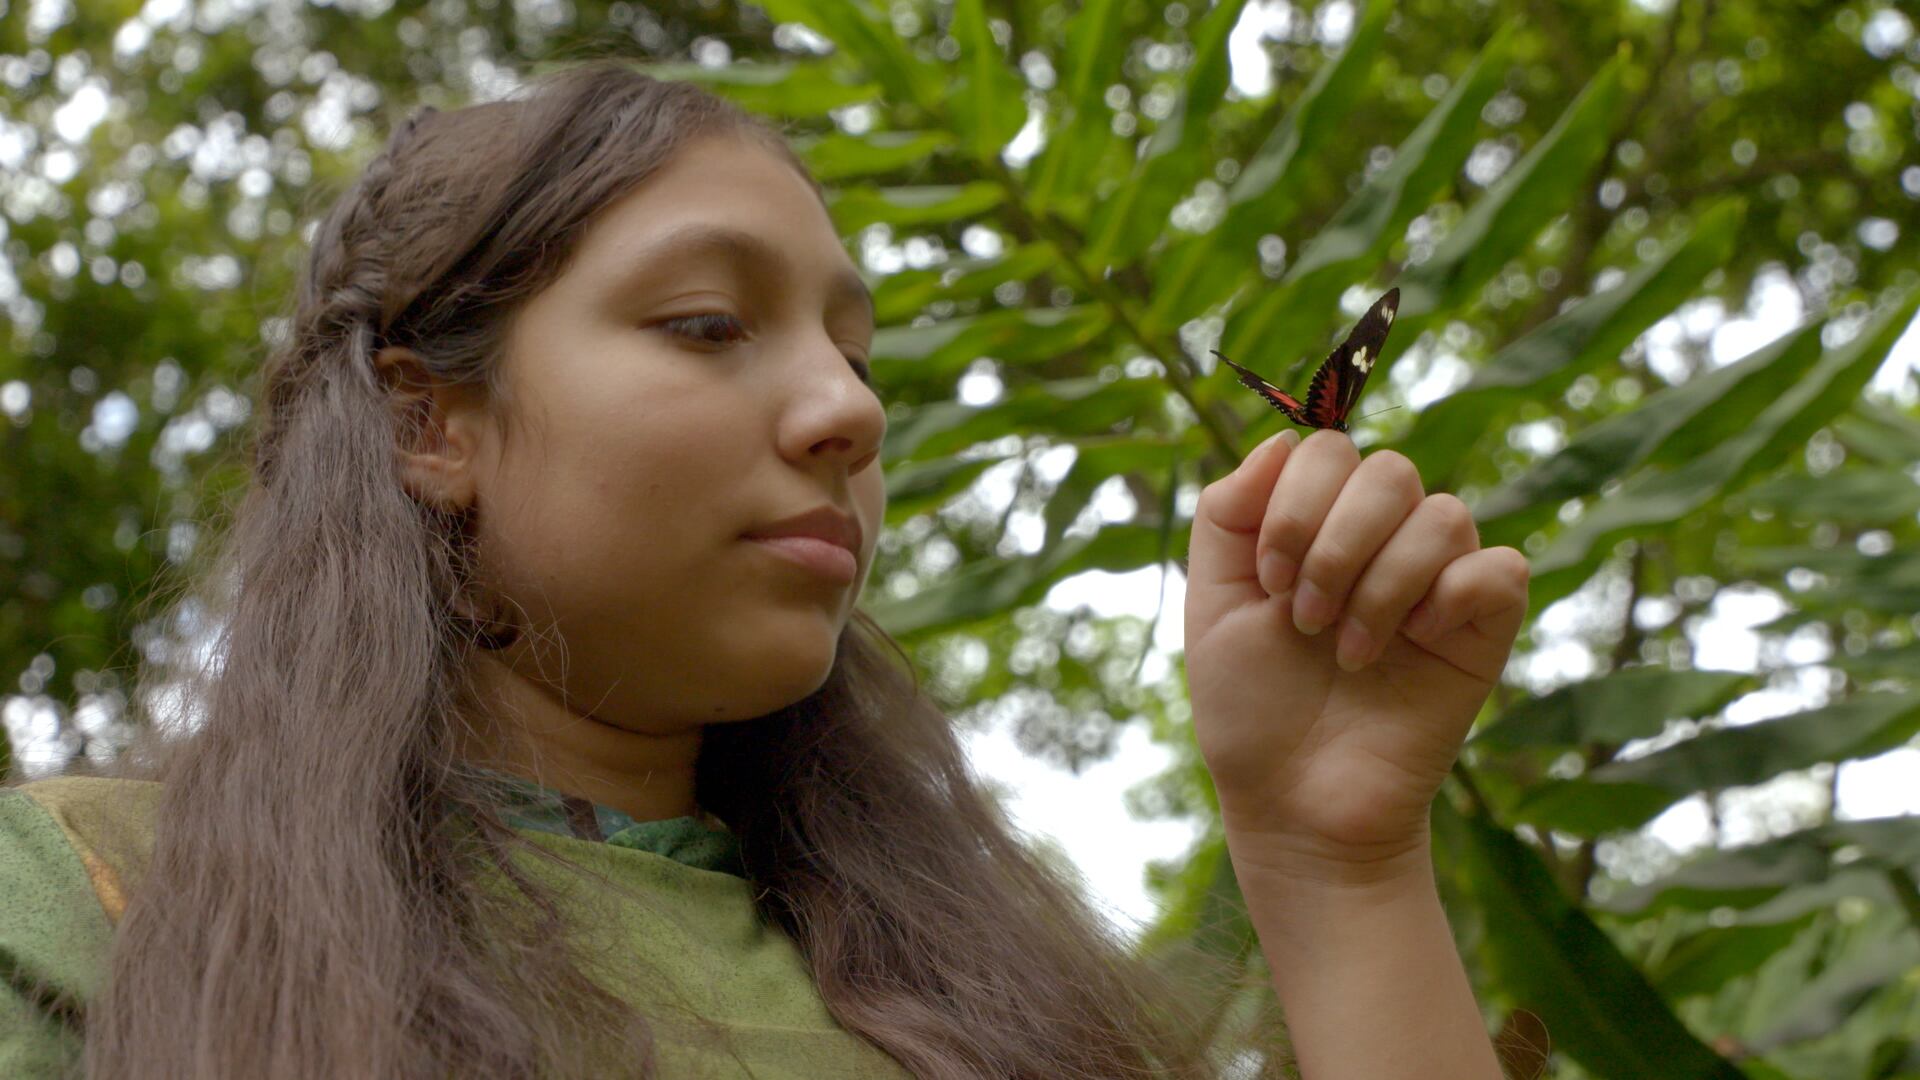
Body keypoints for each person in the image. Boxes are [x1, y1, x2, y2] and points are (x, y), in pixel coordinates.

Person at [0, 59, 1527, 1078]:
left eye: (858, 358)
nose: (850, 412)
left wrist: (1335, 859)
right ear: (427, 424)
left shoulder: (981, 1006)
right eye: (709, 324)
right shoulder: (90, 898)